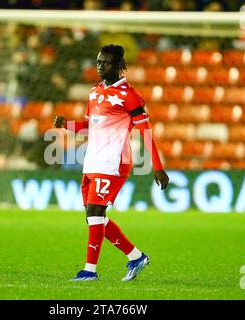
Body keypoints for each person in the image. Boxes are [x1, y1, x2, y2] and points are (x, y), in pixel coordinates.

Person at [53, 44, 169, 281]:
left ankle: (89, 271)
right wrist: (67, 125)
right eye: (98, 62)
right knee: (95, 217)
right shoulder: (94, 92)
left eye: (105, 63)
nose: (100, 66)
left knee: (96, 211)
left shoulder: (130, 96)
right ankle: (136, 257)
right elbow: (89, 128)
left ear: (119, 66)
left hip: (114, 162)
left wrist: (157, 167)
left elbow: (146, 132)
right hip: (92, 160)